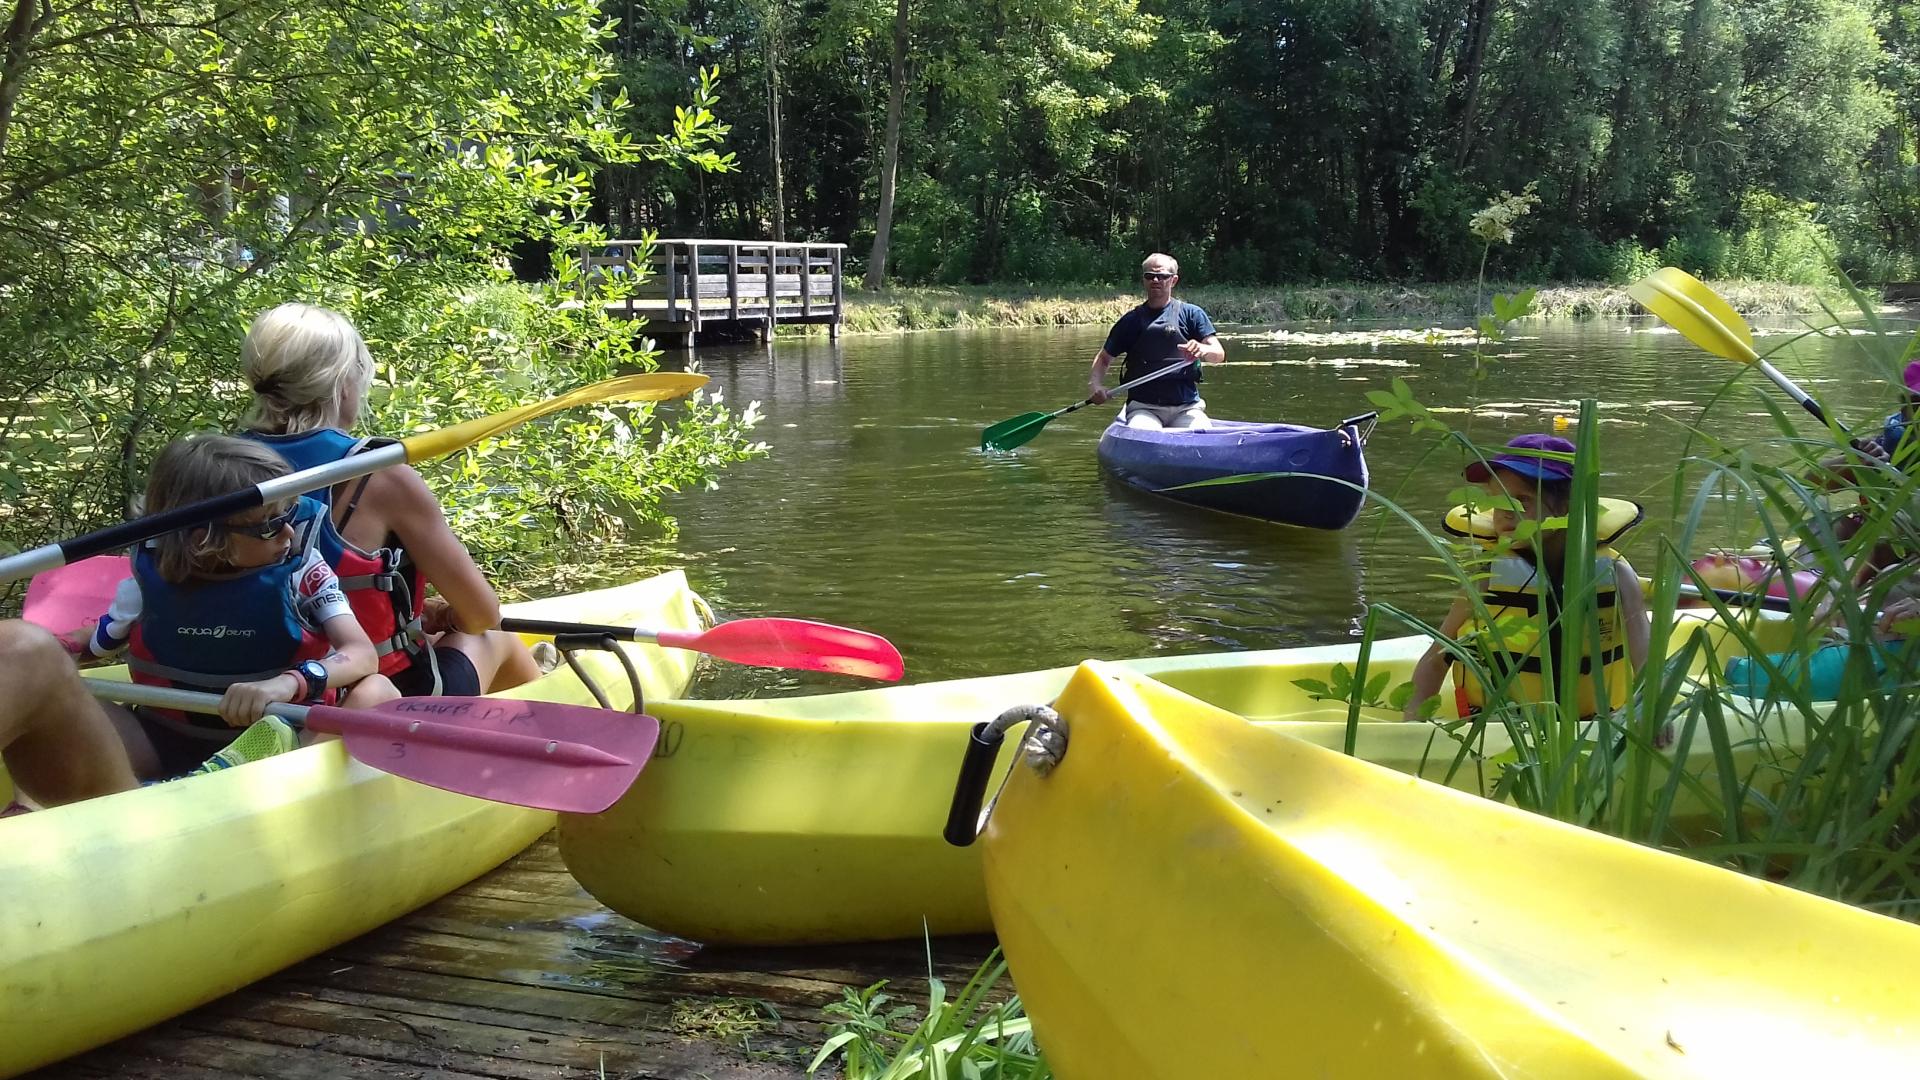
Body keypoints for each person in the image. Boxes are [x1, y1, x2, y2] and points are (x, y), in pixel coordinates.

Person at [236, 303, 537, 698]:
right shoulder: (380, 475)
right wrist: (442, 615)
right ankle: (554, 725)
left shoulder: (212, 468)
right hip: (371, 694)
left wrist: (414, 611)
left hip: (241, 682)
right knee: (493, 639)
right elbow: (482, 614)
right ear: (343, 384)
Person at [87, 436, 398, 779]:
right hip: (167, 741)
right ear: (201, 538)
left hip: (285, 743)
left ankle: (242, 782)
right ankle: (27, 809)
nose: (289, 534)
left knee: (378, 691)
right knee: (64, 701)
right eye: (269, 526)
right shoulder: (147, 579)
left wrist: (287, 684)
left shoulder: (304, 569)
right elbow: (98, 642)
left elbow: (361, 654)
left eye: (288, 514)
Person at [1404, 434, 1652, 722]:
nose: (1506, 513)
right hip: (1499, 726)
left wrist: (1652, 710)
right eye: (1499, 502)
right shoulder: (1485, 578)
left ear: (1567, 506)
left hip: (1596, 723)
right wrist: (1413, 723)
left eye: (1522, 500)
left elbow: (1646, 657)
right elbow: (1436, 660)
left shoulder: (1616, 573)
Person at [0, 620, 139, 813]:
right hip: (154, 729)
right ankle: (28, 806)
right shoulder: (136, 593)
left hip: (188, 738)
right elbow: (110, 632)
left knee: (29, 654)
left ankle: (32, 809)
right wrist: (69, 643)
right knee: (34, 666)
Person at [1088, 253, 1226, 430]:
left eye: (1162, 276)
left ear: (1173, 280)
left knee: (1200, 435)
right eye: (1149, 276)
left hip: (1187, 408)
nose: (1155, 280)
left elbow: (1219, 355)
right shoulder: (1131, 321)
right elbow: (1104, 359)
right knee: (1143, 432)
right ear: (1144, 280)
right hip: (1144, 409)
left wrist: (1203, 349)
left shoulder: (1192, 314)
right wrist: (1095, 386)